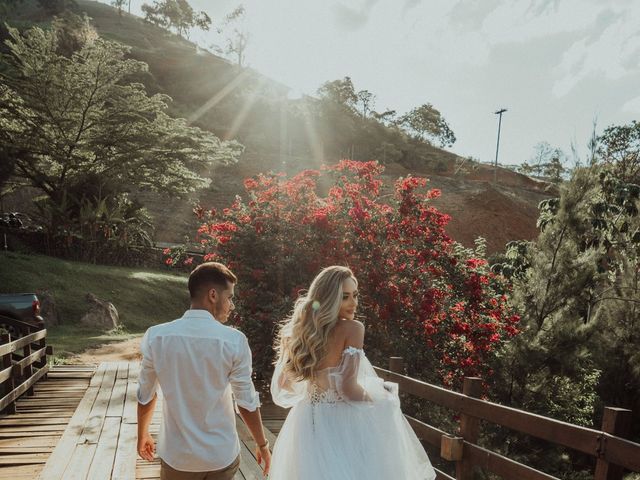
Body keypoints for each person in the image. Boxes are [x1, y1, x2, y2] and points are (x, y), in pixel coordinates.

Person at [269, 265, 436, 480]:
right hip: (342, 424)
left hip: (306, 421)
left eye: (355, 295)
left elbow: (284, 383)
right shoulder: (353, 329)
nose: (354, 303)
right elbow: (347, 389)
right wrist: (379, 399)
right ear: (329, 299)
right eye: (345, 297)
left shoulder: (300, 331)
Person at [137, 262, 271, 479]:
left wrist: (142, 434)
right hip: (220, 455)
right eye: (230, 297)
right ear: (213, 295)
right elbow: (245, 402)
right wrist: (262, 444)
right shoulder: (234, 341)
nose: (232, 305)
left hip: (178, 456)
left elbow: (145, 395)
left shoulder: (156, 336)